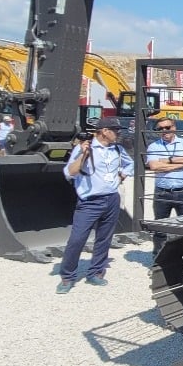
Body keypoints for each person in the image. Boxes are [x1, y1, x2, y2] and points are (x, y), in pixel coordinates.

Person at [56, 116, 134, 294]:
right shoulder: (84, 148)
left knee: (104, 238)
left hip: (111, 199)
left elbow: (130, 164)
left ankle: (96, 272)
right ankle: (67, 276)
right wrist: (83, 155)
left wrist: (121, 176)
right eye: (115, 130)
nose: (118, 134)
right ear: (105, 132)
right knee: (77, 239)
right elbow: (70, 173)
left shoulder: (117, 149)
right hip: (90, 202)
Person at [146, 117, 183, 256]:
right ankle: (158, 259)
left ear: (174, 127)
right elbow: (155, 167)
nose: (164, 131)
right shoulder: (154, 146)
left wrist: (168, 160)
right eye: (160, 129)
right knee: (160, 228)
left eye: (167, 127)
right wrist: (181, 163)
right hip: (162, 192)